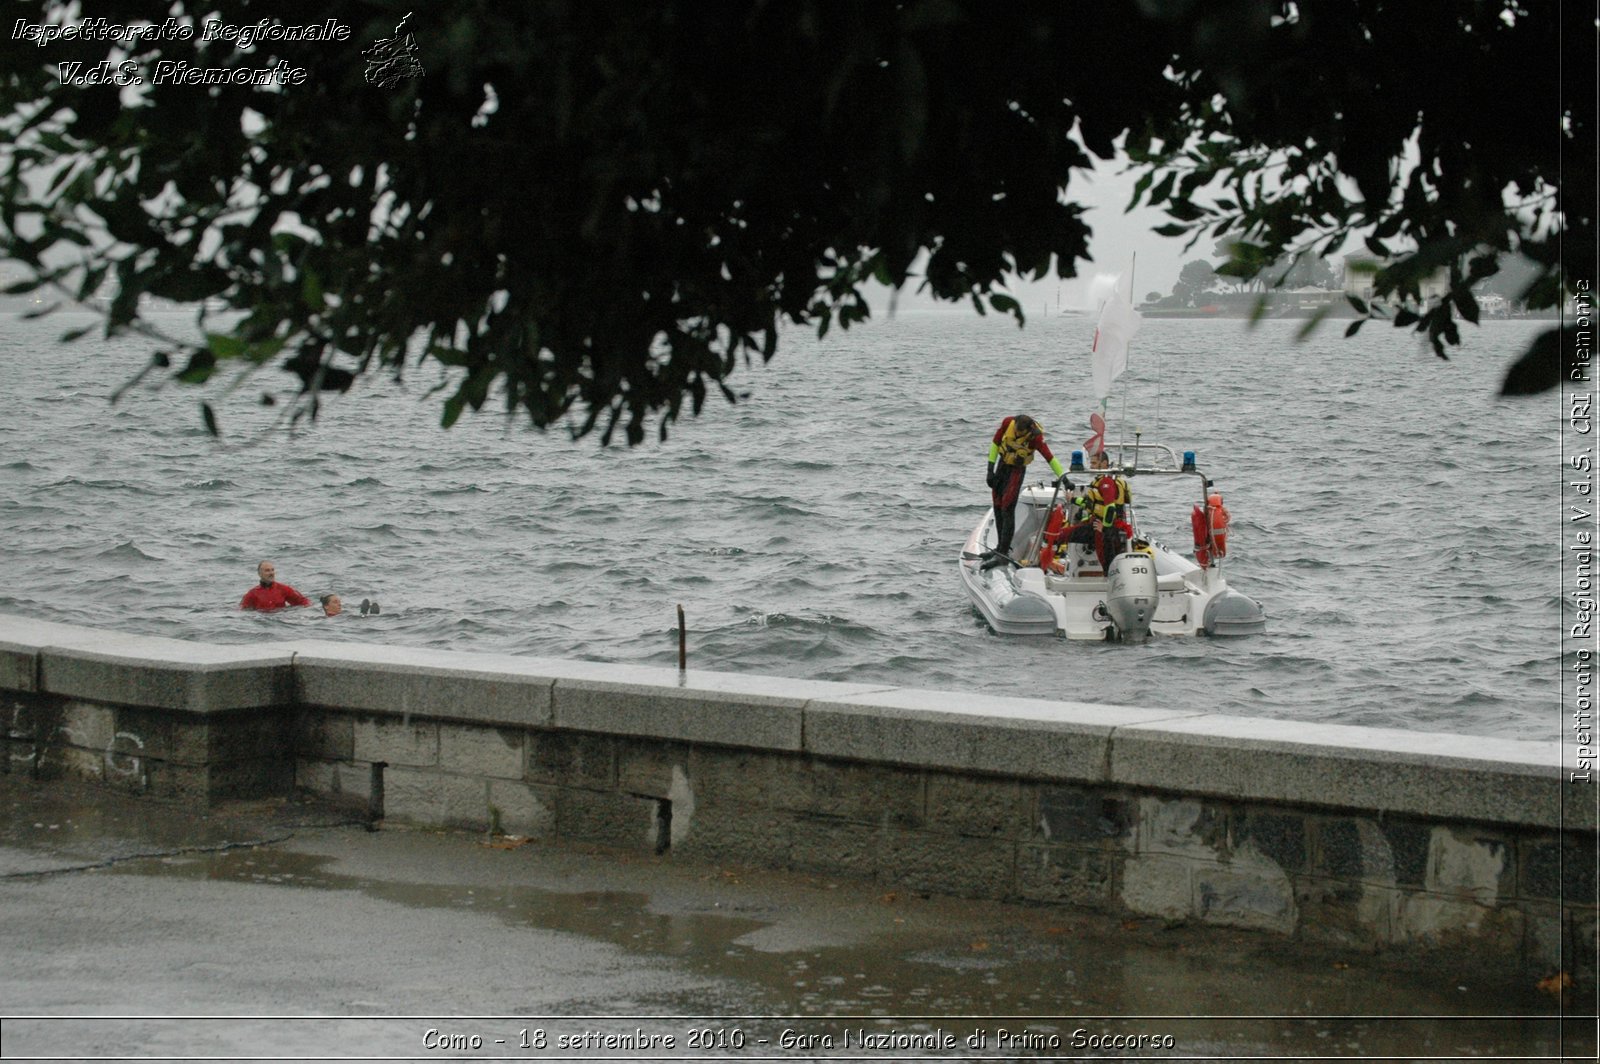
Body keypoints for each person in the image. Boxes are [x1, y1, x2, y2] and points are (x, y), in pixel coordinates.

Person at [985, 414, 1068, 560]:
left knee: (1007, 508)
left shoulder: (1035, 438)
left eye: (1020, 432)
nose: (1016, 433)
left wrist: (1064, 479)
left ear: (1027, 430)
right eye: (1016, 430)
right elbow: (995, 443)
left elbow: (1050, 458)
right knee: (997, 506)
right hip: (1002, 466)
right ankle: (999, 548)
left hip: (1016, 471)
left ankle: (1004, 553)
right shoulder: (1007, 422)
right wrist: (990, 469)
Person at [239, 561, 311, 611]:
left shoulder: (284, 589)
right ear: (259, 574)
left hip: (281, 621)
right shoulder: (252, 593)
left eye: (272, 570)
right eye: (267, 570)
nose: (271, 573)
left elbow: (304, 602)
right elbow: (242, 610)